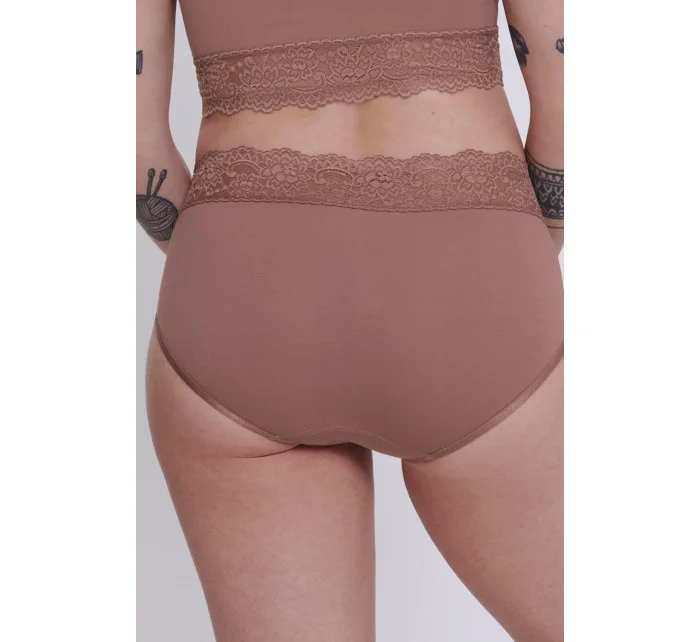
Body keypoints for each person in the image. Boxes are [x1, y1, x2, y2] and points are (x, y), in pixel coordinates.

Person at [136, 0, 564, 638]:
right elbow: (567, 96)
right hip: (465, 277)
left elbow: (134, 145)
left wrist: (238, 268)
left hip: (242, 296)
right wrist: (515, 252)